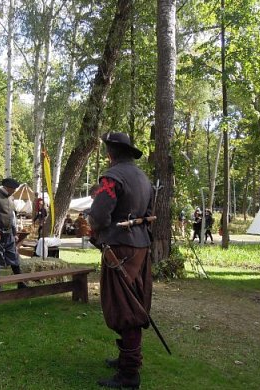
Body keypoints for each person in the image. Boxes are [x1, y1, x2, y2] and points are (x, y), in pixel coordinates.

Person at [87, 132, 153, 389]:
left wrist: (98, 232)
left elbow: (99, 214)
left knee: (125, 308)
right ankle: (126, 358)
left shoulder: (112, 177)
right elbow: (149, 214)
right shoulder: (144, 179)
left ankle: (129, 374)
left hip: (120, 250)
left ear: (111, 152)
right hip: (141, 248)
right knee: (132, 302)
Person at [0, 178, 26, 291]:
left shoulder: (11, 198)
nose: (14, 191)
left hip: (8, 234)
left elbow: (12, 217)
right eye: (13, 189)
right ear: (8, 187)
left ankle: (20, 282)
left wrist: (15, 233)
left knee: (14, 257)